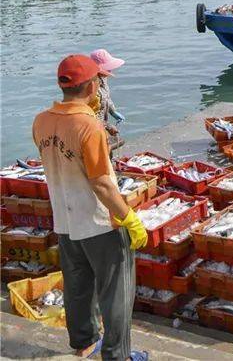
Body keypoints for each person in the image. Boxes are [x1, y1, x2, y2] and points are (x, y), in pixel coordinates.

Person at [32, 55, 149, 361]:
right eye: (98, 82)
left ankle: (84, 343)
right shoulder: (89, 127)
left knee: (78, 286)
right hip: (100, 224)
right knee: (116, 293)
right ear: (92, 86)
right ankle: (118, 355)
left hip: (65, 221)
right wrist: (129, 217)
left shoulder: (41, 121)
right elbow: (102, 184)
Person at [89, 49, 126, 148]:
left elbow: (106, 97)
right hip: (91, 129)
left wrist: (113, 111)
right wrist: (108, 126)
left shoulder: (103, 79)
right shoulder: (90, 88)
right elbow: (90, 117)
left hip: (101, 125)